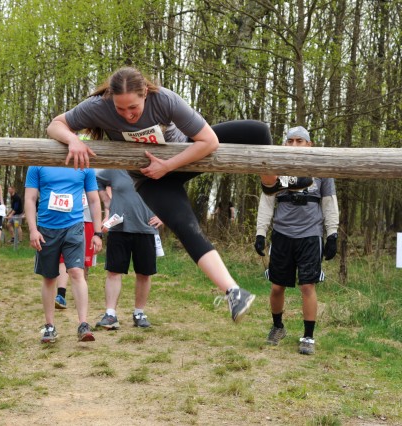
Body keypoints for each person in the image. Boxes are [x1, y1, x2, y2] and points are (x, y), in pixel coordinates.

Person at [47, 66, 269, 322]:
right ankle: (234, 292)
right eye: (121, 109)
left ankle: (272, 186)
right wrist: (73, 140)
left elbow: (209, 141)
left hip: (182, 160)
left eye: (133, 108)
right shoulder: (98, 105)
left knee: (258, 131)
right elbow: (55, 125)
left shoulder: (165, 100)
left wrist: (168, 166)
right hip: (150, 179)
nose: (128, 115)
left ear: (145, 94)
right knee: (186, 228)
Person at [254, 126, 339, 355]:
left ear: (309, 144)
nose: (294, 145)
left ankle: (308, 337)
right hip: (282, 234)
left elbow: (329, 202)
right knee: (276, 286)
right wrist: (260, 233)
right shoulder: (275, 168)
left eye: (299, 141)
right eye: (289, 141)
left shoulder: (322, 168)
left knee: (308, 286)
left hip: (310, 235)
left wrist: (332, 234)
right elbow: (267, 202)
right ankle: (277, 326)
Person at [24, 166, 103, 343]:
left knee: (76, 272)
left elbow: (94, 200)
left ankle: (83, 324)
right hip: (46, 228)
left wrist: (97, 233)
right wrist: (32, 229)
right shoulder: (38, 164)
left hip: (74, 226)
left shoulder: (83, 164)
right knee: (49, 277)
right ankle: (49, 326)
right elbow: (30, 198)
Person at [95, 168, 163, 329]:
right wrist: (106, 201)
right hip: (118, 227)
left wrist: (163, 214)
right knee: (113, 271)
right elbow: (96, 180)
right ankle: (110, 314)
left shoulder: (156, 169)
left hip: (146, 228)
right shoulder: (116, 169)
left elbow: (170, 191)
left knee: (144, 274)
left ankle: (139, 313)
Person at [54, 191, 96, 309]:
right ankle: (61, 295)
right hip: (66, 218)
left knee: (84, 259)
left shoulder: (94, 174)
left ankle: (81, 296)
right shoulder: (62, 172)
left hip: (87, 219)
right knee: (63, 258)